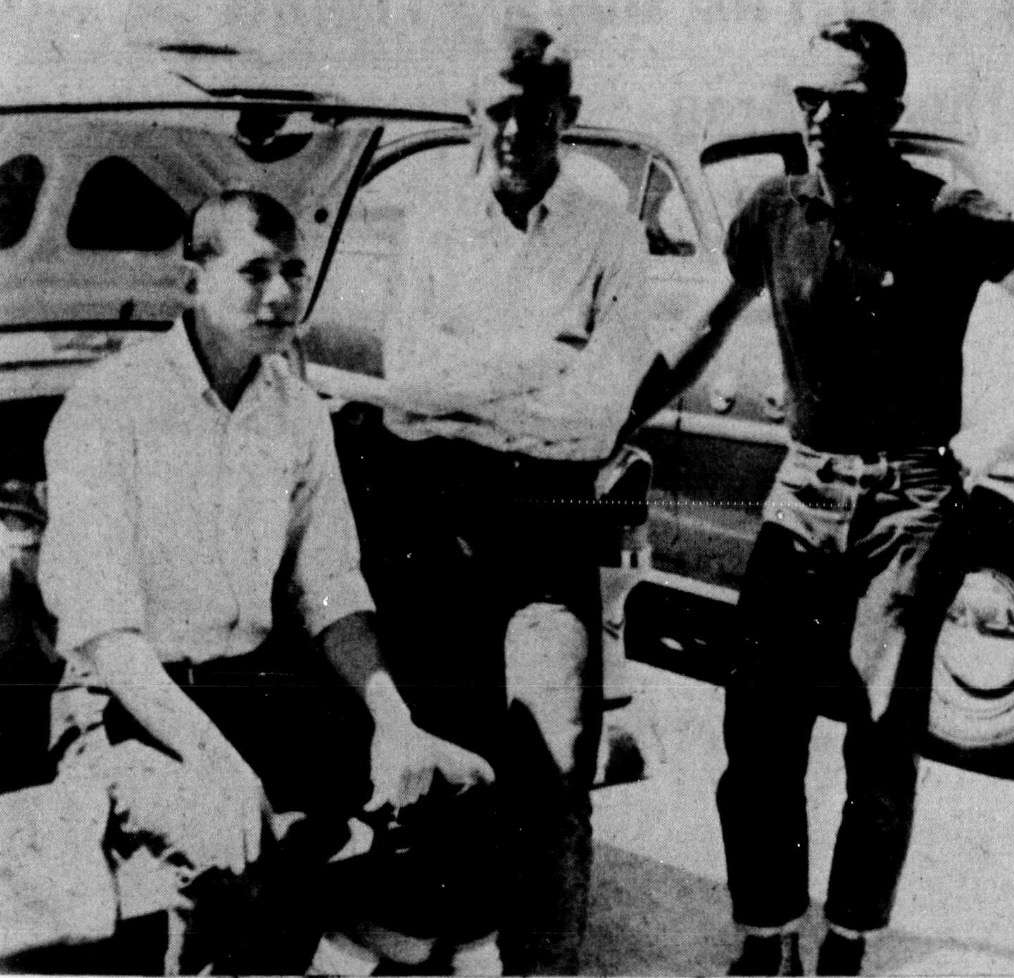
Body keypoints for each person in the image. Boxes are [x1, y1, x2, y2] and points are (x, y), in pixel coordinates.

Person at [660, 19, 1014, 976]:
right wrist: (620, 421)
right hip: (803, 488)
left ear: (889, 112)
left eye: (845, 101)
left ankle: (848, 940)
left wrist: (994, 438)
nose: (821, 117)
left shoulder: (949, 211)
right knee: (760, 729)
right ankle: (768, 938)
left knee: (880, 740)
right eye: (809, 97)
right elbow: (706, 326)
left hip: (910, 503)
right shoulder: (774, 210)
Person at [37, 189, 494, 974]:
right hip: (123, 710)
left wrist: (394, 721)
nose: (282, 293)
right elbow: (108, 636)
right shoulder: (109, 405)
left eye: (294, 271)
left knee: (461, 792)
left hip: (251, 693)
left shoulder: (297, 411)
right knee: (232, 846)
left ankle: (356, 952)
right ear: (192, 283)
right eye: (255, 272)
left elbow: (330, 589)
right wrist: (217, 765)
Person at [356, 22, 654, 975]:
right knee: (435, 752)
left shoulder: (611, 231)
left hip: (549, 526)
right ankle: (427, 952)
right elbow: (408, 386)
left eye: (538, 112)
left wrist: (471, 392)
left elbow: (598, 418)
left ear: (570, 114)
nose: (516, 131)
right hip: (436, 519)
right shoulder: (431, 220)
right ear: (469, 114)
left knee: (555, 765)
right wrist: (542, 363)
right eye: (498, 111)